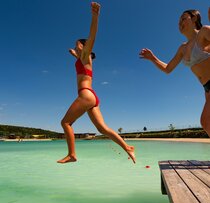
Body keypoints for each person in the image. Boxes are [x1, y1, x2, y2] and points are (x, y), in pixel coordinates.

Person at [57, 2, 135, 164]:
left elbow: (92, 36)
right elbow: (79, 58)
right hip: (92, 96)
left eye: (77, 44)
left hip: (85, 94)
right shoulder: (83, 59)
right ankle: (126, 146)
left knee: (65, 122)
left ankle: (72, 154)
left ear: (84, 47)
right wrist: (74, 53)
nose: (75, 46)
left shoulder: (85, 55)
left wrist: (95, 16)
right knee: (102, 128)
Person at [139, 8, 210, 137]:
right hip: (207, 90)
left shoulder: (204, 32)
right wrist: (152, 58)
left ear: (194, 19)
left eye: (183, 18)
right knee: (206, 123)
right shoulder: (182, 48)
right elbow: (168, 69)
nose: (180, 23)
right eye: (178, 21)